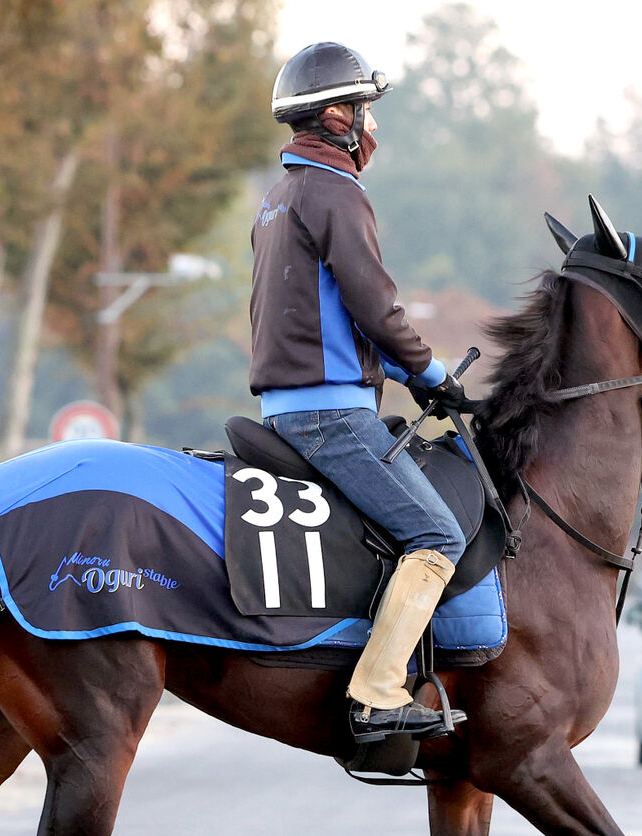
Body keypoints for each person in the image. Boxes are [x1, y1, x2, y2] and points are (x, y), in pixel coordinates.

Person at [250, 41, 473, 744]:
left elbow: (333, 314)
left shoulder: (279, 196)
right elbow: (375, 310)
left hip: (286, 407)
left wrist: (407, 374)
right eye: (366, 112)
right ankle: (378, 692)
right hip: (330, 414)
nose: (373, 128)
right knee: (437, 533)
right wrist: (434, 376)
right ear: (337, 116)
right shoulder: (336, 193)